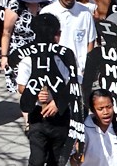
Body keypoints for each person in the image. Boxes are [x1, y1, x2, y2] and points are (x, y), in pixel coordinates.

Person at [16, 13, 74, 164]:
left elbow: (73, 84)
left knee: (57, 159)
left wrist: (57, 102)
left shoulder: (64, 57)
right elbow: (21, 86)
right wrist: (34, 94)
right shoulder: (28, 60)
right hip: (37, 117)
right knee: (37, 159)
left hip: (60, 117)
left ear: (59, 35)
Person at [40, 0, 96, 79]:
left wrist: (88, 68)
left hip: (79, 72)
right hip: (54, 70)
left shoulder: (85, 13)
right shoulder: (47, 12)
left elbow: (90, 41)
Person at [79, 88, 117, 165]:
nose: (106, 112)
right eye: (100, 109)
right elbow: (74, 162)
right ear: (93, 110)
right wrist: (78, 153)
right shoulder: (84, 129)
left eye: (109, 107)